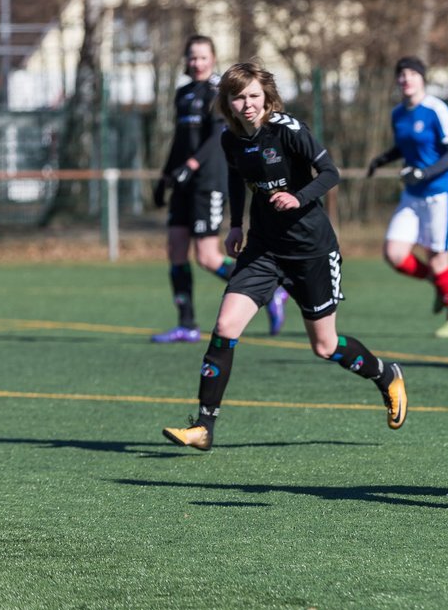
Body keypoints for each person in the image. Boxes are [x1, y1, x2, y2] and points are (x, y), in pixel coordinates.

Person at [162, 61, 407, 451]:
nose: (247, 104)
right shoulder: (230, 139)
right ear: (226, 101)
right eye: (238, 97)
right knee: (225, 326)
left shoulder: (288, 131)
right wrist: (237, 225)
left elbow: (330, 173)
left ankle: (385, 374)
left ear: (267, 97)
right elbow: (235, 179)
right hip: (263, 248)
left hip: (311, 249)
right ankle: (204, 426)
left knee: (324, 346)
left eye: (254, 96)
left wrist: (298, 197)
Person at [150, 35, 289, 343]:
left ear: (212, 59)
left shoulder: (219, 91)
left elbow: (217, 137)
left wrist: (193, 166)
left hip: (208, 180)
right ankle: (186, 324)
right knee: (175, 249)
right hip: (184, 181)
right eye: (192, 57)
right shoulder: (183, 93)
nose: (196, 62)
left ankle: (270, 289)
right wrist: (164, 178)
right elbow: (180, 140)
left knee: (208, 257)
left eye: (202, 57)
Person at [367, 56, 448, 339]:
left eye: (412, 73)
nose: (406, 78)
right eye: (402, 74)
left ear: (422, 78)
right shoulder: (398, 113)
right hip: (413, 195)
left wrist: (424, 173)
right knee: (394, 254)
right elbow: (404, 147)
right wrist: (381, 160)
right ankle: (439, 285)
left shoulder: (437, 109)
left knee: (438, 260)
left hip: (441, 195)